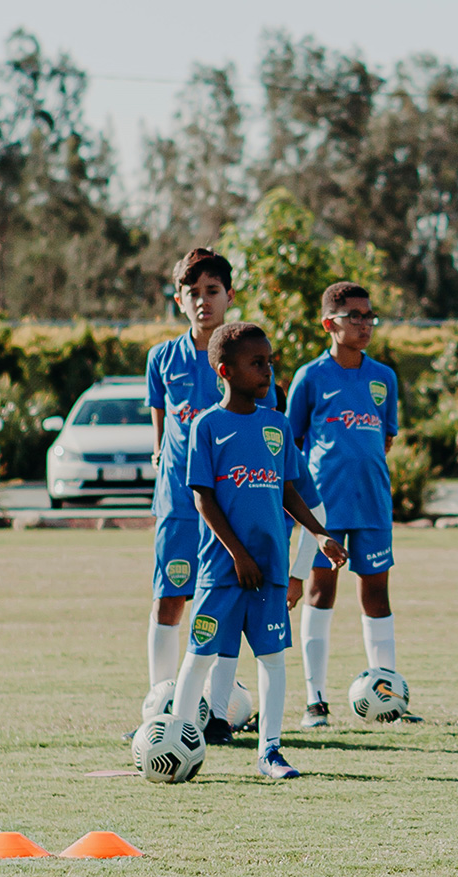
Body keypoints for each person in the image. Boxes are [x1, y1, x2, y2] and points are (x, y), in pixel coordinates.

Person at [170, 322, 347, 778]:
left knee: (271, 657)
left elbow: (289, 491)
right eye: (257, 363)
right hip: (221, 569)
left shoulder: (277, 425)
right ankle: (177, 738)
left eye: (269, 361)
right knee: (200, 653)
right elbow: (203, 498)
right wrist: (237, 554)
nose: (267, 370)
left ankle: (270, 750)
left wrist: (320, 532)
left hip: (267, 567)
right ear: (226, 371)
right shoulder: (208, 426)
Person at [144, 249, 275, 745]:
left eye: (212, 291)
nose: (203, 301)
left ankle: (217, 714)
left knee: (220, 606)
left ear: (229, 296)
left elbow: (265, 428)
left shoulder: (245, 354)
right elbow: (160, 420)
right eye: (192, 293)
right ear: (179, 299)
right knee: (169, 598)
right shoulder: (162, 358)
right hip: (178, 504)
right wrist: (160, 451)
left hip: (231, 509)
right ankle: (160, 705)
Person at [286, 282, 399, 728]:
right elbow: (292, 444)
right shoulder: (310, 377)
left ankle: (387, 693)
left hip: (372, 501)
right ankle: (315, 699)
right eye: (354, 315)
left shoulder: (384, 377)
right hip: (324, 510)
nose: (364, 323)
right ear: (329, 323)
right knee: (320, 592)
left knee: (376, 591)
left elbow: (384, 438)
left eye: (369, 315)